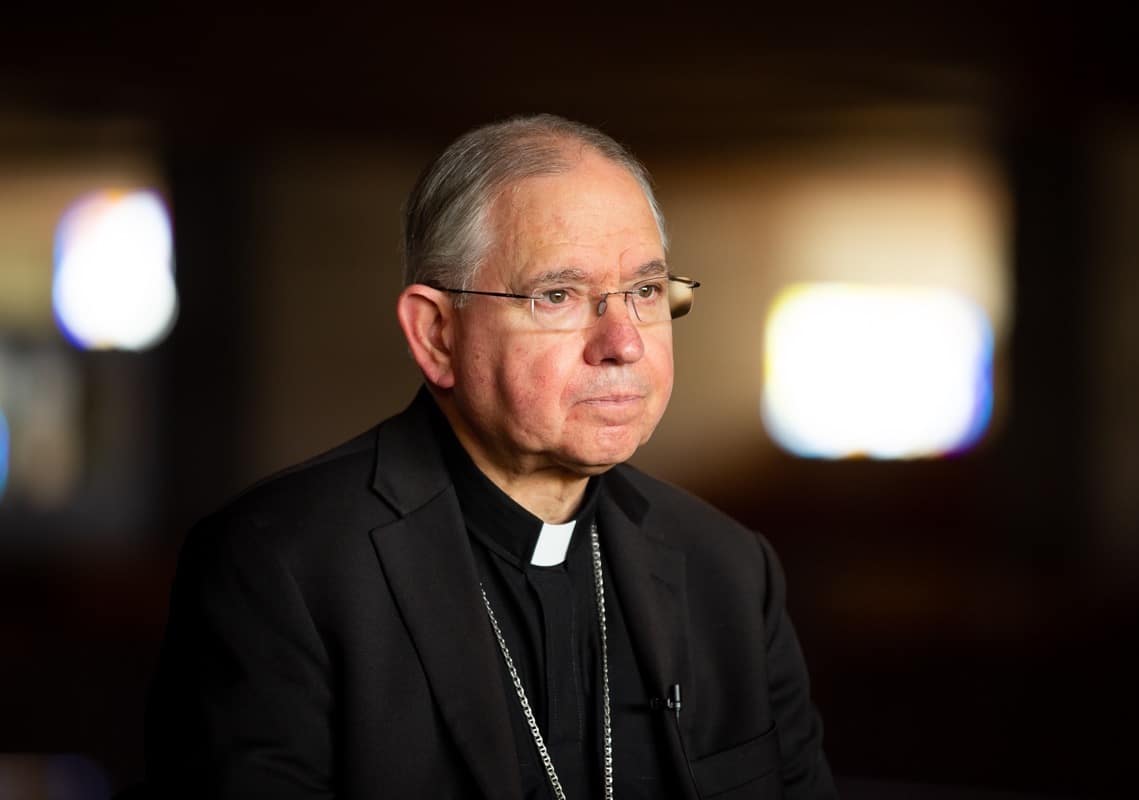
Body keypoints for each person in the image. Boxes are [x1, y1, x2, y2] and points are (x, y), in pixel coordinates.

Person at [145, 114, 837, 799]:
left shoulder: (732, 571)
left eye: (646, 291)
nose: (624, 342)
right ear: (437, 334)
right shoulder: (282, 567)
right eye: (560, 295)